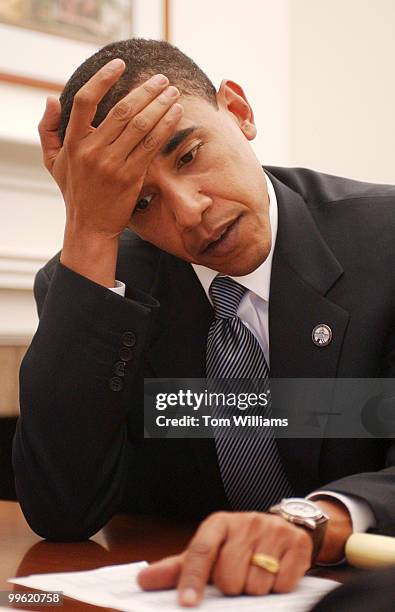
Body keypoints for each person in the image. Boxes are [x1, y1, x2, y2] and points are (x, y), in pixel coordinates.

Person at [13, 39, 395, 607]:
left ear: (238, 112)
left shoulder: (385, 240)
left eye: (189, 155)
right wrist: (89, 231)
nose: (189, 211)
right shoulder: (96, 283)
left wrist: (319, 519)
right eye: (140, 202)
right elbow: (63, 510)